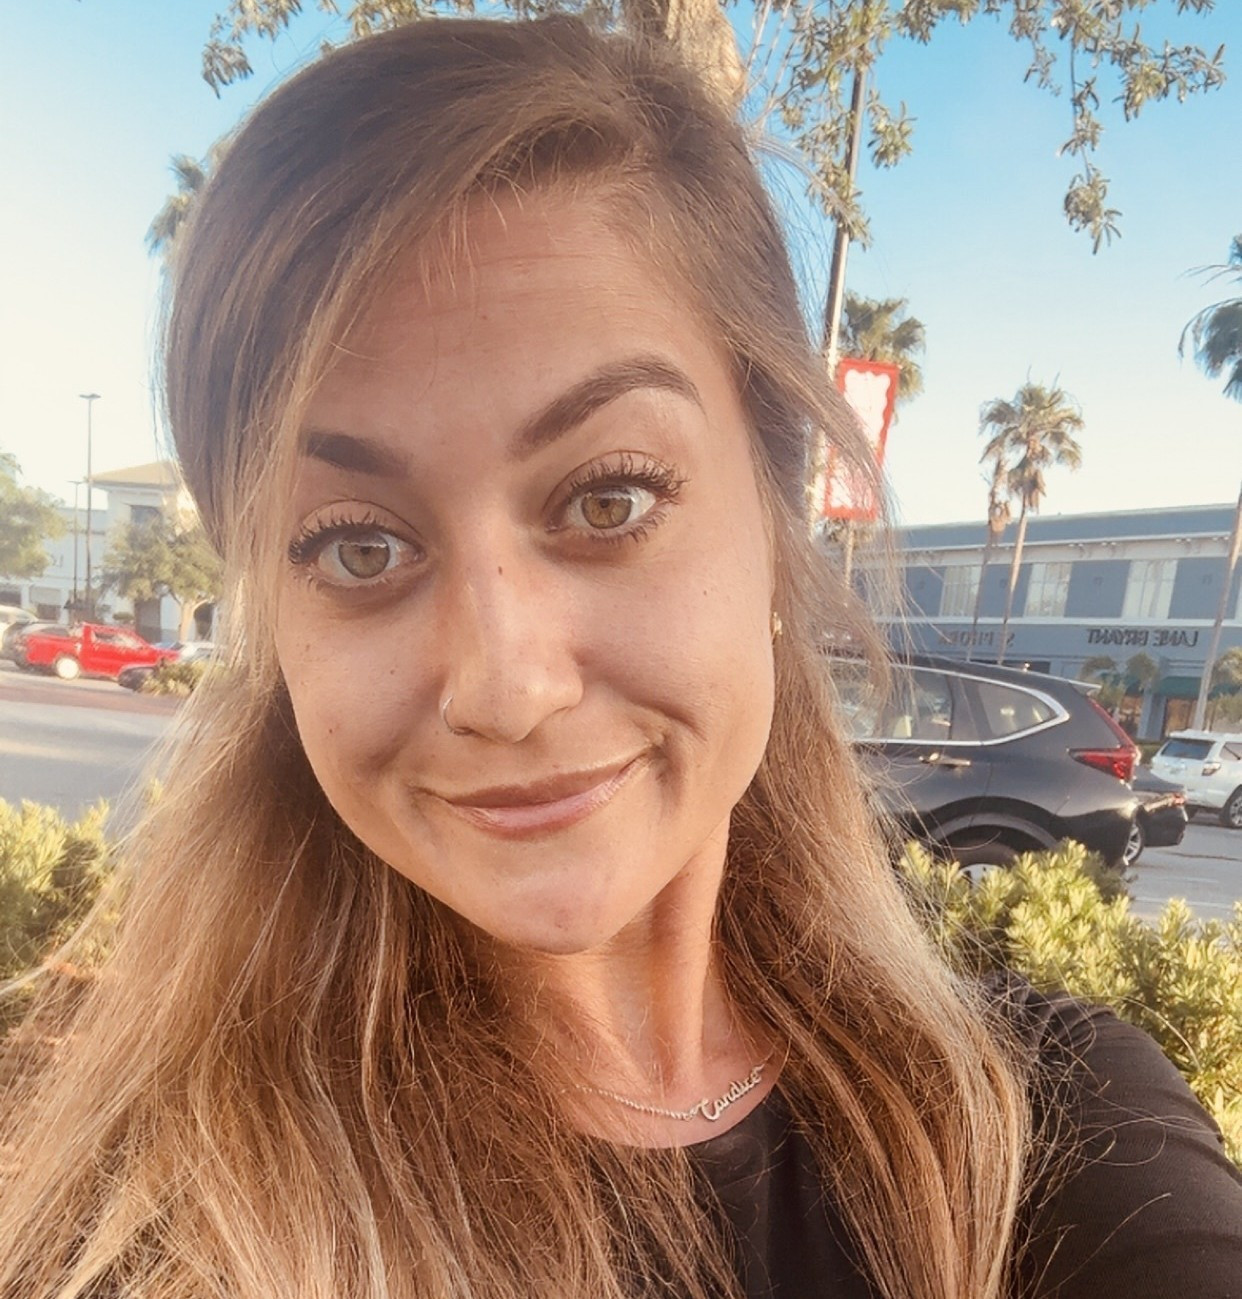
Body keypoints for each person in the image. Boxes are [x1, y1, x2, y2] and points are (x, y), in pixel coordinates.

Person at [1, 16, 1240, 1299]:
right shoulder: (161, 1224)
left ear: (774, 515)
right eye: (359, 548)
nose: (506, 687)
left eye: (610, 499)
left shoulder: (1052, 1125)